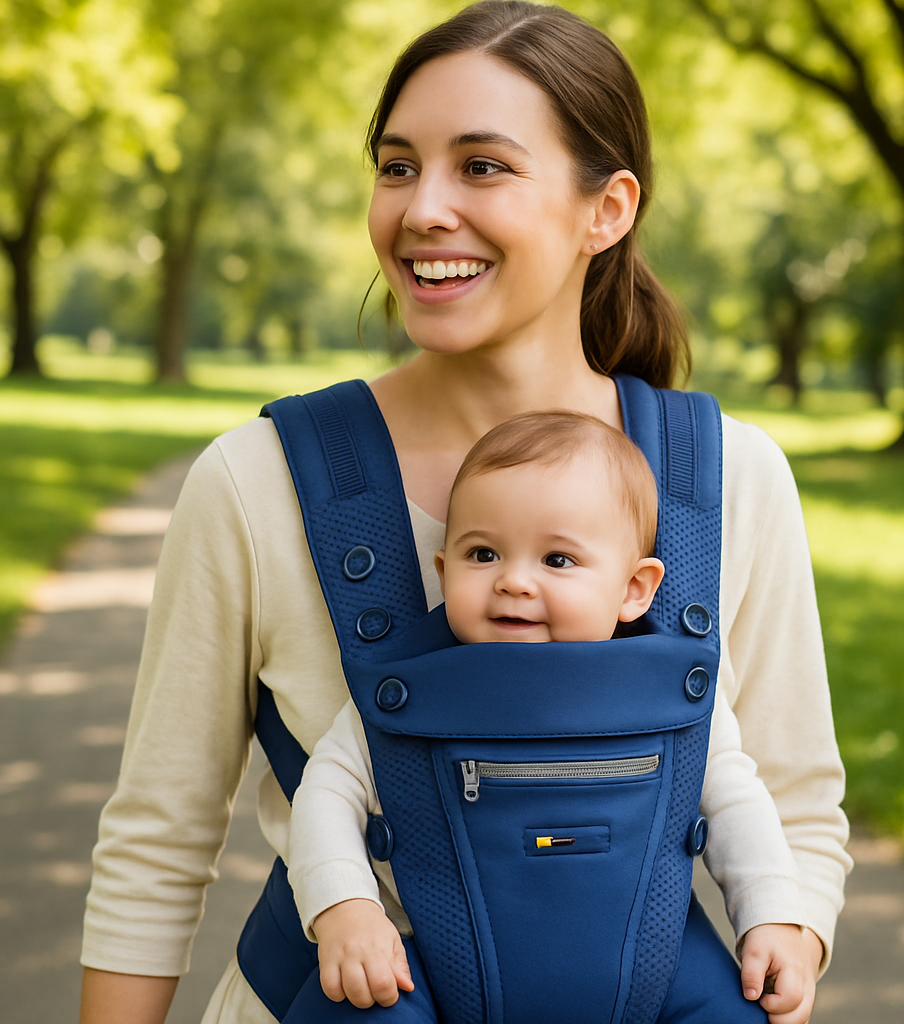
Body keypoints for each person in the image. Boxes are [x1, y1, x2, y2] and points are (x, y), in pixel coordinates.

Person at [79, 4, 851, 1024]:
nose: (422, 209)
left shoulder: (730, 484)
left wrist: (789, 934)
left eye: (481, 166)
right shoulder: (256, 483)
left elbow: (795, 807)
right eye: (397, 167)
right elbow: (158, 842)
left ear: (606, 209)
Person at [287, 409, 813, 1022]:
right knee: (358, 1002)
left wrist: (773, 915)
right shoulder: (410, 691)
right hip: (431, 962)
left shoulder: (669, 694)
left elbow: (735, 800)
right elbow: (327, 792)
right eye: (483, 553)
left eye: (557, 560)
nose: (513, 581)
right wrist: (345, 908)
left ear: (634, 589)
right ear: (443, 570)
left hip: (656, 962)